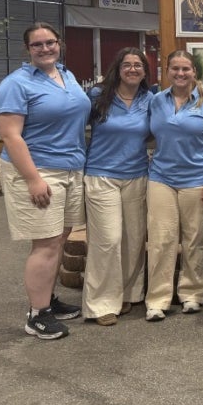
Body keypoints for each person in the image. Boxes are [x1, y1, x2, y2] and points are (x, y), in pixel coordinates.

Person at [0, 22, 91, 340]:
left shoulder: (67, 75)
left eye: (50, 42)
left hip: (70, 169)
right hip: (38, 171)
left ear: (59, 43)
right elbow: (11, 136)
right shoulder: (16, 84)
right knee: (46, 243)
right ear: (28, 49)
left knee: (60, 237)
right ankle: (37, 316)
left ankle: (47, 300)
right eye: (37, 45)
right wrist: (33, 180)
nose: (45, 48)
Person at [144, 50, 203, 321]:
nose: (180, 74)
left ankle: (192, 294)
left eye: (186, 69)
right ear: (167, 71)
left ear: (195, 72)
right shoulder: (156, 101)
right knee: (161, 240)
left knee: (193, 240)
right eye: (175, 69)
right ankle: (158, 299)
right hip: (161, 179)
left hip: (196, 181)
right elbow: (146, 135)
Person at [82, 48, 152, 326]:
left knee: (133, 240)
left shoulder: (151, 100)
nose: (132, 69)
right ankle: (100, 304)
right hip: (102, 176)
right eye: (127, 64)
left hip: (137, 175)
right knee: (108, 240)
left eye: (138, 65)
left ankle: (125, 294)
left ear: (145, 71)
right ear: (117, 68)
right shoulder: (98, 97)